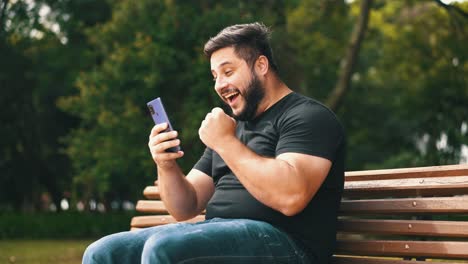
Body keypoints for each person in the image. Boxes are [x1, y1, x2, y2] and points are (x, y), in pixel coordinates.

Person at [83, 22, 345, 264]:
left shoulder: (308, 116)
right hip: (219, 232)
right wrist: (165, 164)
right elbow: (185, 206)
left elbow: (291, 197)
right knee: (103, 252)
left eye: (228, 71)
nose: (220, 84)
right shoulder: (230, 130)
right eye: (214, 76)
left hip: (289, 245)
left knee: (164, 248)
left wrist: (225, 142)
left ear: (261, 66)